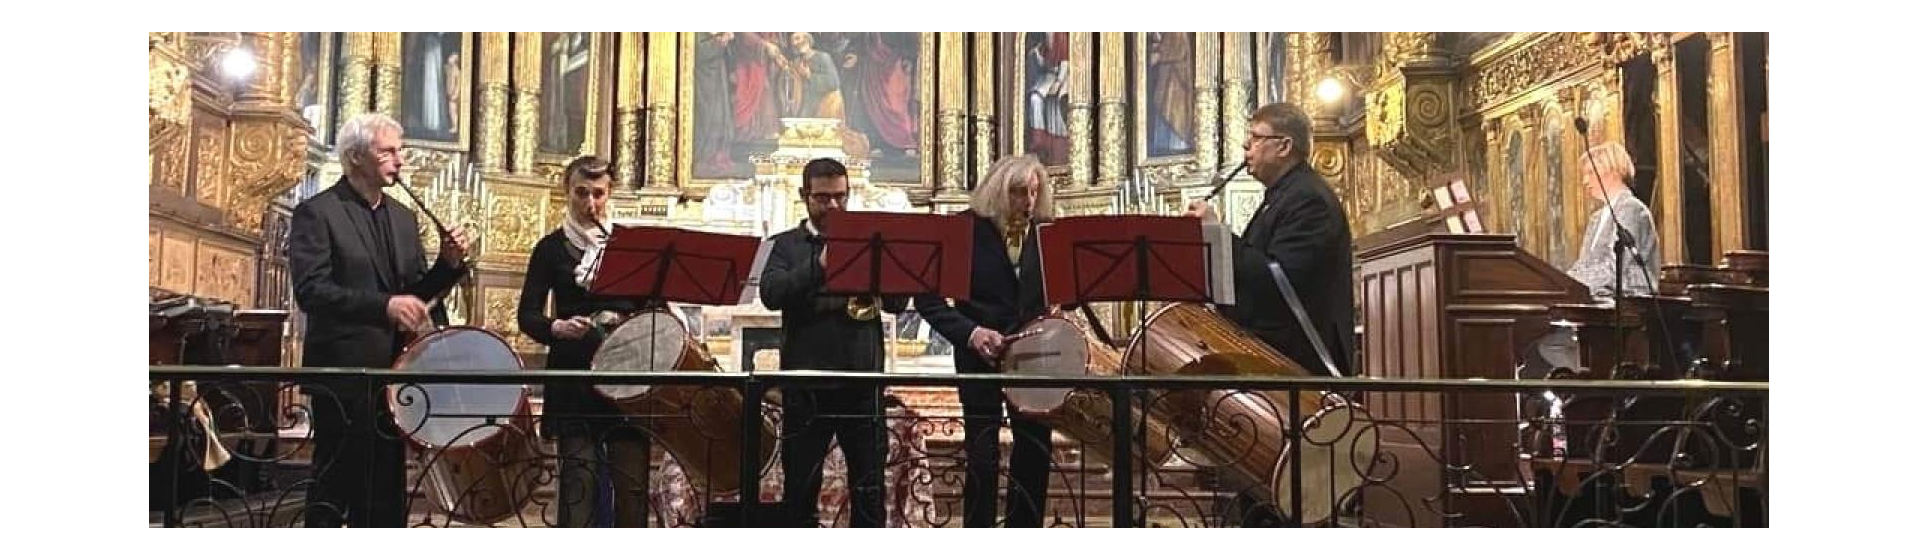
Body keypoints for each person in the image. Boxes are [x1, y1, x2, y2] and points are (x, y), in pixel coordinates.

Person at [287, 112, 473, 527]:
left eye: (399, 150)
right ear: (356, 157)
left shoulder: (403, 218)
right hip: (343, 375)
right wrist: (384, 306)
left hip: (396, 374)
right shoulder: (318, 212)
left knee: (386, 490)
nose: (399, 160)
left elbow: (415, 296)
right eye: (387, 151)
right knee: (335, 486)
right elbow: (312, 291)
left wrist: (447, 265)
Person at [759, 158, 906, 527]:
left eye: (841, 197)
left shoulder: (871, 244)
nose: (834, 206)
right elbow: (772, 293)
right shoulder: (784, 245)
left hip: (862, 385)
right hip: (806, 387)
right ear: (804, 196)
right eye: (823, 198)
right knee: (800, 490)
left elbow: (897, 303)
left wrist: (886, 268)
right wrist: (821, 264)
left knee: (869, 491)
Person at [913, 154, 1055, 528]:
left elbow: (1057, 294)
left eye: (1034, 193)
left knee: (1035, 450)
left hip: (1033, 357)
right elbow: (927, 300)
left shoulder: (1046, 232)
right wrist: (972, 333)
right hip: (980, 355)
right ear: (997, 190)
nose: (1027, 202)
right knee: (982, 455)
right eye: (1019, 192)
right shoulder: (964, 229)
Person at [516, 155, 650, 527]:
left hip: (627, 377)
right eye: (580, 193)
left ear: (610, 193)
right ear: (567, 192)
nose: (590, 203)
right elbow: (527, 316)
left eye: (598, 193)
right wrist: (556, 327)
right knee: (579, 489)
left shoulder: (631, 247)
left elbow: (650, 305)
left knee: (632, 491)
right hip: (575, 378)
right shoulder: (550, 248)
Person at [1186, 102, 1353, 377]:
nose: (1245, 145)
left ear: (1284, 147)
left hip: (1296, 364)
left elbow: (1280, 280)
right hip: (1275, 357)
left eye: (1255, 137)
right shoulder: (1284, 195)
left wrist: (1217, 235)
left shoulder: (1308, 199)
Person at [1519, 141, 1662, 378]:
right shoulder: (1596, 218)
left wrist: (1572, 286)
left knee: (1556, 338)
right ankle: (1589, 380)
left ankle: (1596, 380)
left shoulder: (1633, 210)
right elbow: (1584, 264)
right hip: (1595, 298)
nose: (1585, 181)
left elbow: (1616, 267)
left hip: (1626, 301)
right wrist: (1559, 283)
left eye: (1589, 173)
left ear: (1612, 170)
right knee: (1546, 339)